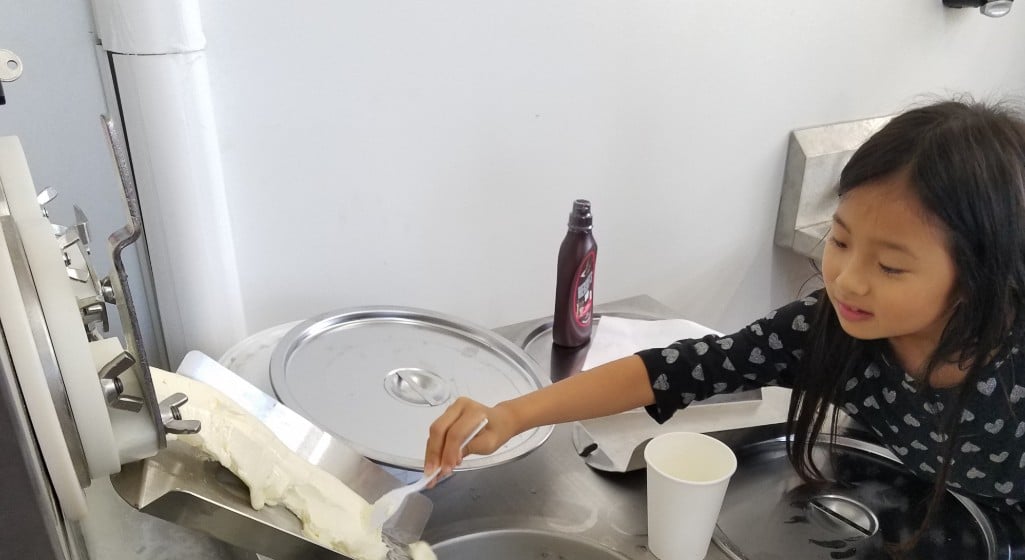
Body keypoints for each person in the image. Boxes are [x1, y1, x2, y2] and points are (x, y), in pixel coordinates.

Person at [423, 99, 1025, 526]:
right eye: (840, 242)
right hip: (912, 519)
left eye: (891, 267)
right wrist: (514, 413)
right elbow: (679, 369)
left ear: (977, 275)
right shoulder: (828, 330)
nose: (848, 279)